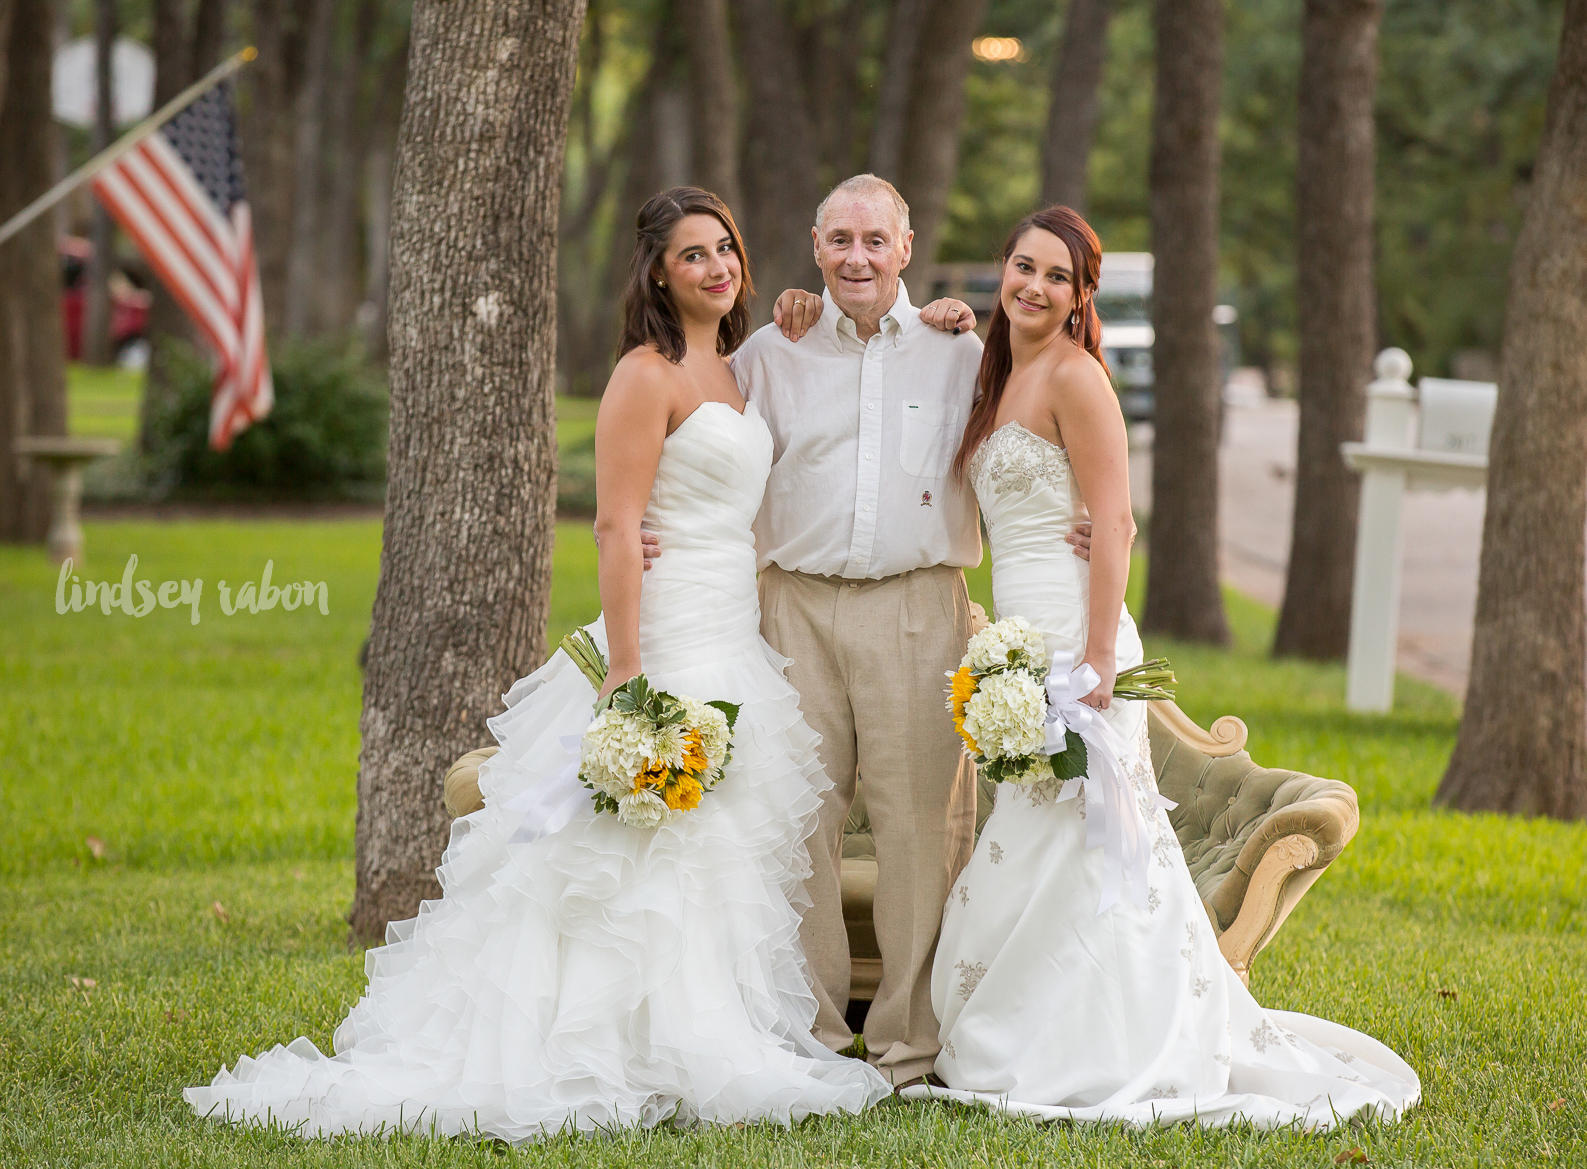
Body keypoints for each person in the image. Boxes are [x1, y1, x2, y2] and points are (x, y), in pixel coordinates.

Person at [184, 187, 890, 1142]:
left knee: (706, 849)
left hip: (732, 626)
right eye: (693, 255)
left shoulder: (729, 367)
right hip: (664, 632)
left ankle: (688, 1038)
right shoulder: (644, 375)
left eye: (724, 247)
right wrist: (626, 672)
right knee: (620, 850)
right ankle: (590, 1045)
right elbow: (613, 523)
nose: (717, 267)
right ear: (657, 272)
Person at [900, 206, 1421, 1126]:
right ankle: (1028, 1028)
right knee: (1033, 832)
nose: (1033, 286)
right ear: (1003, 271)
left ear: (1079, 295)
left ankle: (1113, 1039)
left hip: (1077, 645)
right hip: (1015, 645)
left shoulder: (1076, 377)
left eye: (1056, 277)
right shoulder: (999, 371)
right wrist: (934, 315)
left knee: (1099, 842)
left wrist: (1097, 657)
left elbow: (1118, 524)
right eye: (1022, 267)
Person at [725, 174, 987, 1090]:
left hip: (918, 603)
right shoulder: (770, 350)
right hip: (790, 603)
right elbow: (711, 463)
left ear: (907, 247)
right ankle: (813, 1037)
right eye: (839, 239)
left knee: (921, 827)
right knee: (799, 820)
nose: (857, 258)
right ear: (813, 244)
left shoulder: (959, 354)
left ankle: (907, 1050)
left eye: (875, 240)